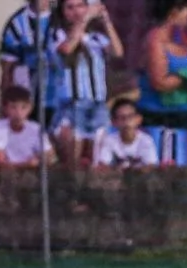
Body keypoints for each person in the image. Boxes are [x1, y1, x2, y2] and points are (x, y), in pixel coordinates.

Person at [49, 0, 124, 167]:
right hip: (71, 103)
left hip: (97, 103)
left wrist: (106, 21)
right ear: (62, 11)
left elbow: (117, 52)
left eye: (81, 6)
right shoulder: (56, 34)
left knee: (95, 160)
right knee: (72, 162)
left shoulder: (96, 38)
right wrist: (85, 20)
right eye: (70, 7)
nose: (76, 11)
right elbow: (67, 49)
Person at [137, 0, 187, 130]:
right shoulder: (155, 39)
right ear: (174, 12)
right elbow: (159, 82)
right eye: (185, 9)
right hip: (160, 117)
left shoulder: (180, 37)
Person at [0, 0, 57, 126]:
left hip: (59, 97)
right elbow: (7, 69)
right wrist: (6, 103)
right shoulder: (16, 23)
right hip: (28, 100)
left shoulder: (62, 16)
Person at [0, 86, 56, 167]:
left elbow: (49, 154)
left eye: (23, 107)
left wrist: (38, 160)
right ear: (5, 109)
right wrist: (26, 164)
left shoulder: (36, 129)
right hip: (6, 175)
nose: (18, 113)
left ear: (30, 108)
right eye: (13, 107)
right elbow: (0, 160)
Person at [93, 99, 160, 169]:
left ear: (138, 119)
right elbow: (103, 165)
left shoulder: (146, 140)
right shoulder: (109, 141)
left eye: (130, 116)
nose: (126, 121)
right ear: (114, 122)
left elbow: (151, 166)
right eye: (122, 118)